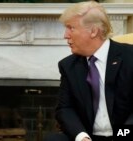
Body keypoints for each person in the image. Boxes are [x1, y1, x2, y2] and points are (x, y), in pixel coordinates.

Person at [44, 1, 133, 141]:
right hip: (89, 136)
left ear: (93, 31)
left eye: (71, 28)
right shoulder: (69, 66)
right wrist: (81, 137)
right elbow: (65, 108)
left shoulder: (129, 57)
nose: (65, 35)